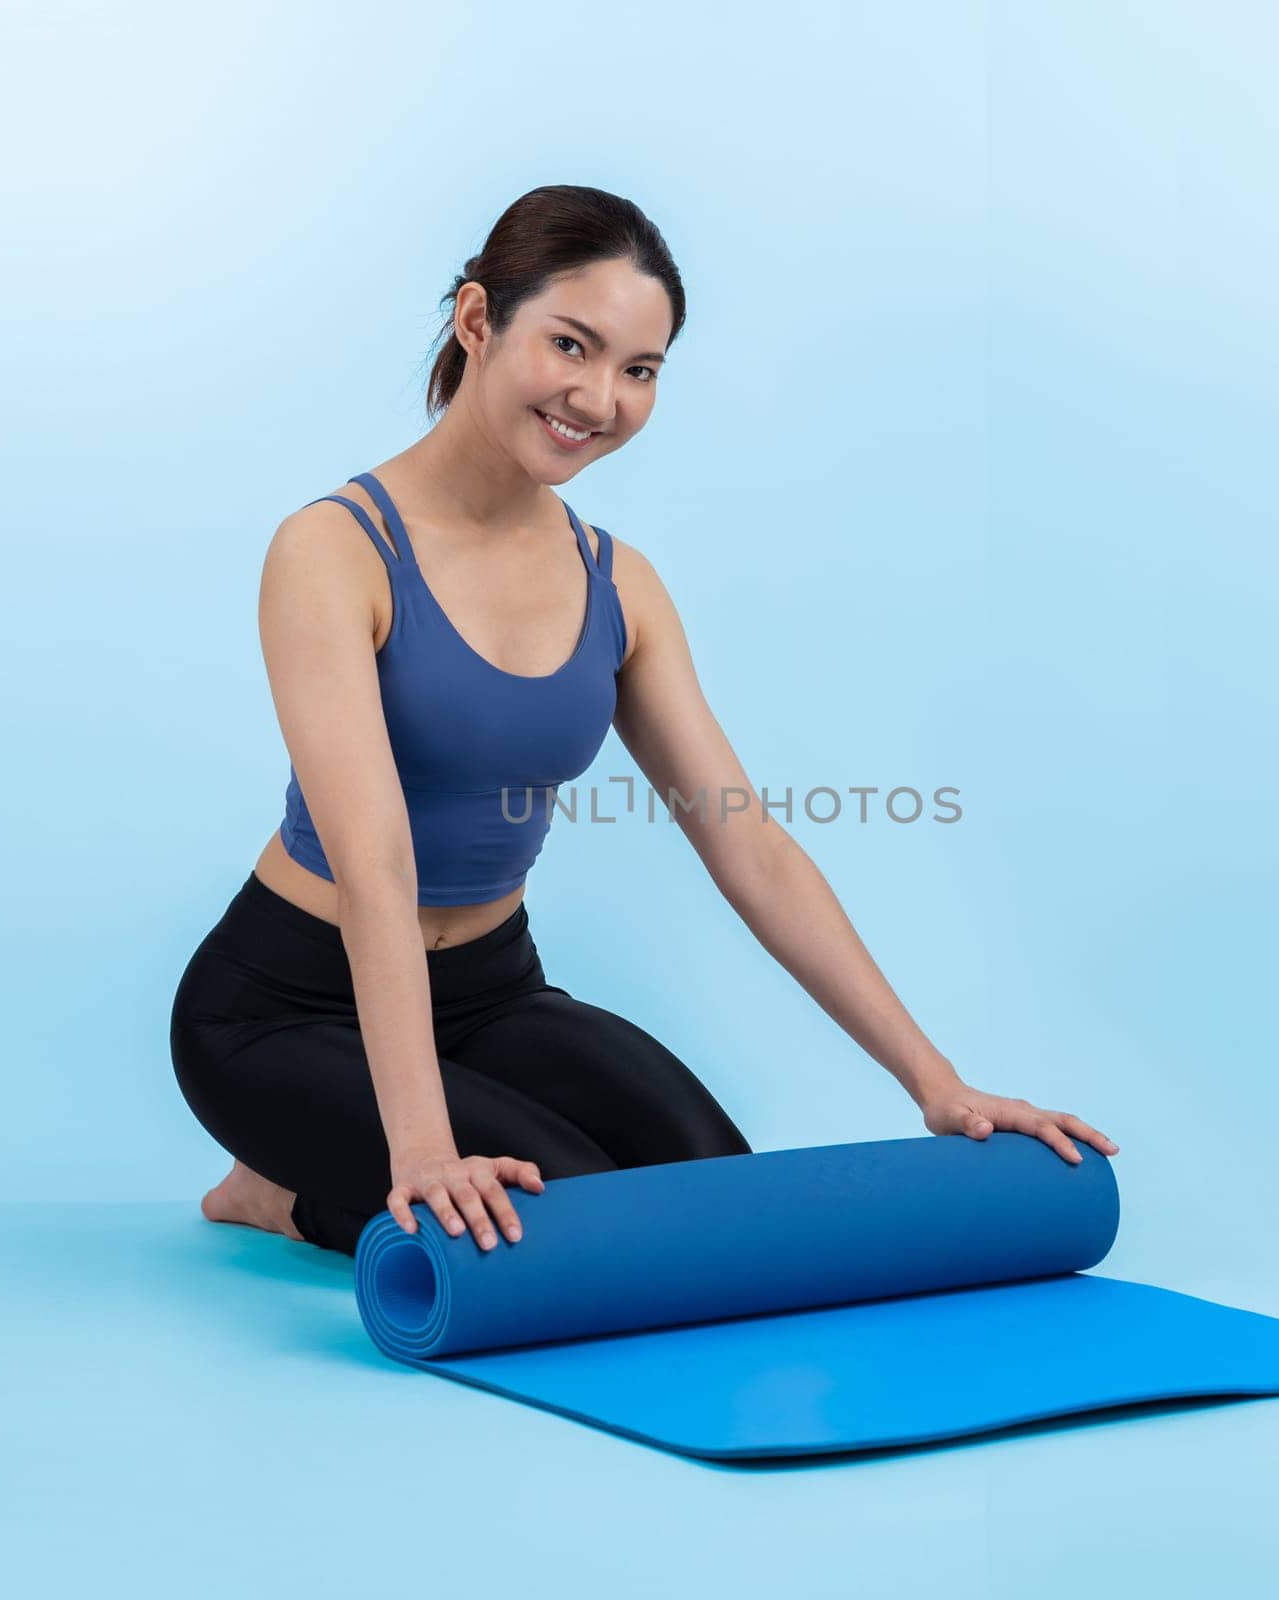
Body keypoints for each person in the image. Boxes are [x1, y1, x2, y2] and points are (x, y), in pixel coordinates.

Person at [168, 184, 1119, 1260]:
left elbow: (748, 843)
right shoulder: (335, 551)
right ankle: (277, 1191)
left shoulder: (620, 584)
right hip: (285, 1008)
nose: (598, 397)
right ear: (478, 322)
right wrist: (421, 1145)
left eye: (638, 369)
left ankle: (318, 1169)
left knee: (720, 1194)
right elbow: (376, 861)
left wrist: (935, 1084)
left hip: (489, 995)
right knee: (573, 1228)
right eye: (570, 345)